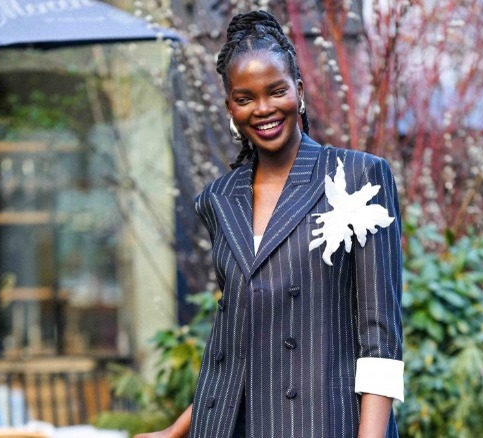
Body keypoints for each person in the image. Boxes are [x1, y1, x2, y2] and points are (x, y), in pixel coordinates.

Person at [136, 10, 403, 438]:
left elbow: (381, 338)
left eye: (275, 91)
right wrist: (176, 430)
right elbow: (236, 345)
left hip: (323, 423)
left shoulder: (357, 177)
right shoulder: (219, 199)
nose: (263, 109)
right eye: (245, 98)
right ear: (230, 107)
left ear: (298, 91)